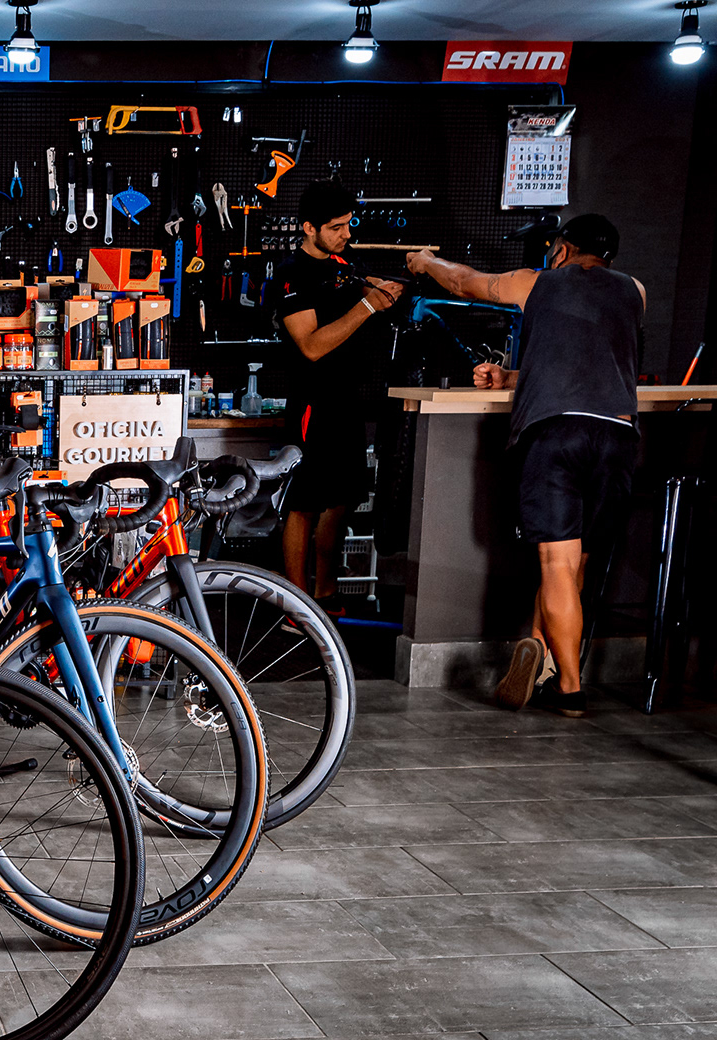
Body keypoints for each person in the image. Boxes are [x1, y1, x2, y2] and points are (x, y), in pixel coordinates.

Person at [408, 214, 645, 717]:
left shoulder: (535, 282)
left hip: (556, 432)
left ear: (562, 249)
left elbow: (463, 282)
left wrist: (427, 262)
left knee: (556, 563)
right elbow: (588, 355)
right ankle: (540, 651)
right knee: (575, 564)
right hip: (618, 437)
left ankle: (571, 689)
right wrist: (511, 376)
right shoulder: (635, 291)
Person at [274, 180, 405, 612]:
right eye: (336, 227)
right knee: (305, 503)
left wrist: (383, 289)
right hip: (314, 403)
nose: (347, 234)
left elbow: (365, 290)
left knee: (342, 499)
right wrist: (366, 307)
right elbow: (310, 346)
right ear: (308, 228)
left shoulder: (344, 262)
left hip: (349, 400)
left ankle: (325, 595)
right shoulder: (292, 275)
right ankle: (297, 607)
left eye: (349, 224)